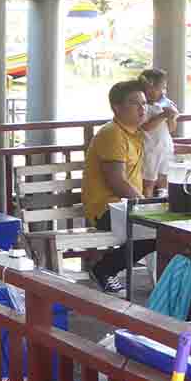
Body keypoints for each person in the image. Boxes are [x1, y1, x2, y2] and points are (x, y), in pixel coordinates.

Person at [84, 80, 149, 293]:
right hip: (107, 210)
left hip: (125, 207)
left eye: (144, 103)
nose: (142, 108)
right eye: (135, 103)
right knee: (156, 230)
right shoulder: (112, 133)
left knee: (165, 231)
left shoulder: (135, 133)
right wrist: (146, 206)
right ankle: (104, 269)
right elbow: (117, 181)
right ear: (116, 107)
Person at [139, 68, 191, 195]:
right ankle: (146, 203)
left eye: (164, 88)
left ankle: (163, 199)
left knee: (163, 179)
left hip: (165, 148)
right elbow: (145, 127)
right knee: (148, 182)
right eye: (161, 88)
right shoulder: (143, 107)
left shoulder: (164, 105)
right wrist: (162, 115)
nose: (164, 91)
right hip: (150, 150)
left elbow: (171, 129)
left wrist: (171, 117)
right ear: (149, 89)